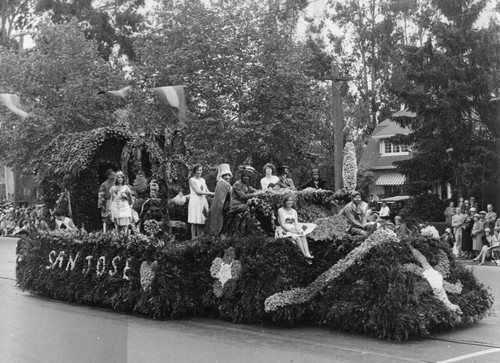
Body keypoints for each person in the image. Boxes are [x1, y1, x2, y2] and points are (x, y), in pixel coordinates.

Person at [276, 194, 316, 263]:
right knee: (297, 237)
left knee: (303, 234)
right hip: (284, 229)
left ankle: (308, 253)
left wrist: (298, 230)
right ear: (285, 202)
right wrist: (292, 231)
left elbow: (296, 223)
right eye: (288, 201)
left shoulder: (294, 211)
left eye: (291, 201)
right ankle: (305, 255)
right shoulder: (280, 210)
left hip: (293, 227)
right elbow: (282, 225)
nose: (289, 202)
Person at [188, 165, 214, 239]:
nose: (199, 172)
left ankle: (198, 238)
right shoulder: (191, 180)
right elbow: (198, 192)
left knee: (201, 220)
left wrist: (214, 193)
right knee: (194, 220)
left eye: (200, 170)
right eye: (197, 170)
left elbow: (206, 190)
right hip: (195, 200)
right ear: (194, 171)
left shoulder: (203, 180)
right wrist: (210, 194)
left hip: (202, 200)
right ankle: (193, 237)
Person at [208, 164, 232, 235]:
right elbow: (233, 193)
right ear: (222, 176)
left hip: (217, 205)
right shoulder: (224, 184)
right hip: (222, 205)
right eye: (225, 175)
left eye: (228, 175)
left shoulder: (220, 182)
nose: (227, 177)